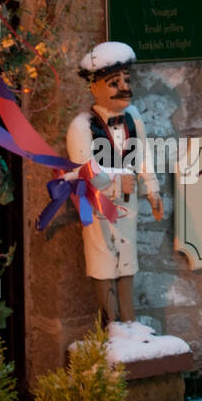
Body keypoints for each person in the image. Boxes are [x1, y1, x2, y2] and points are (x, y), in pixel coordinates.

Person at [66, 41, 163, 326]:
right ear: (94, 88)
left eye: (126, 80)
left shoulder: (133, 119)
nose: (123, 87)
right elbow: (84, 171)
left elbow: (142, 154)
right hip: (99, 207)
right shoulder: (82, 127)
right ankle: (110, 323)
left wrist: (152, 189)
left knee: (127, 258)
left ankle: (129, 320)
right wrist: (118, 185)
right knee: (104, 258)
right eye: (113, 82)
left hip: (128, 205)